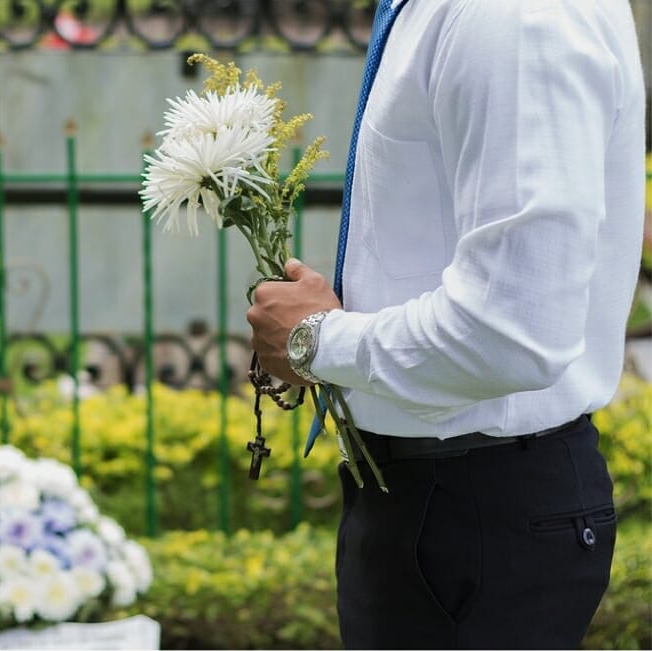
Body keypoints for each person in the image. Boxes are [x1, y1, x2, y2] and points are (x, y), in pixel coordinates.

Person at [245, 0, 646, 648]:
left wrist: (317, 339)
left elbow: (510, 333)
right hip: (439, 503)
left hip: (474, 515)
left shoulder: (510, 16)